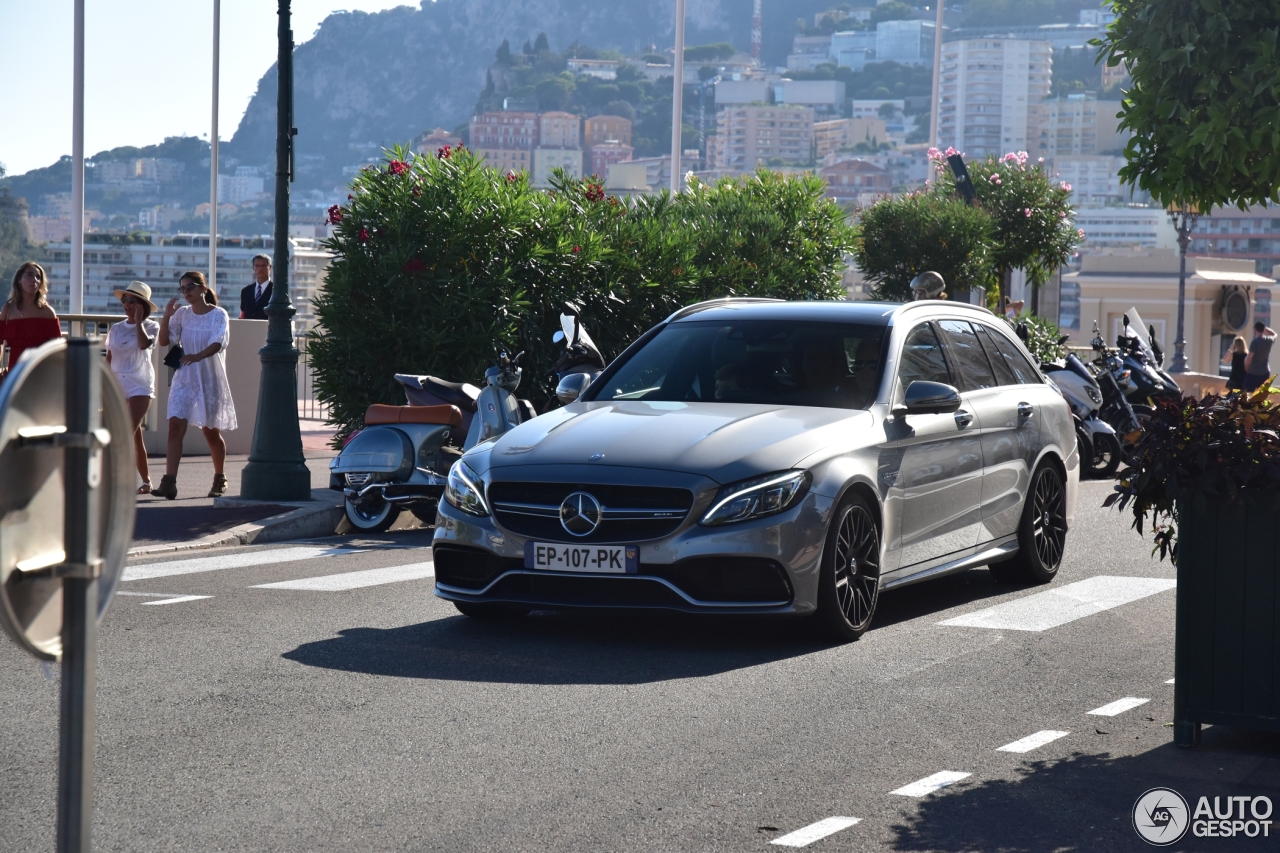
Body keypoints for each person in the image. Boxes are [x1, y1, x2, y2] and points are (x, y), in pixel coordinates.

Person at [152, 271, 237, 499]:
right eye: (183, 288)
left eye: (190, 287)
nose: (186, 292)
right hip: (185, 378)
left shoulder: (219, 314)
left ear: (202, 288)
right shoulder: (182, 315)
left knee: (211, 433)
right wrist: (167, 317)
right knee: (174, 426)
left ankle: (220, 477)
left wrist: (198, 355)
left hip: (208, 379)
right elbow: (163, 341)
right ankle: (169, 482)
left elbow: (219, 342)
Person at [107, 281, 161, 493]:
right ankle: (146, 481)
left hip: (140, 385)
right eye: (125, 300)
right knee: (135, 434)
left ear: (142, 305)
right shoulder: (117, 329)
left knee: (124, 431)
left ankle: (112, 479)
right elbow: (110, 358)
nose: (127, 304)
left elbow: (144, 344)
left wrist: (138, 322)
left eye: (132, 301)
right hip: (118, 384)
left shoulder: (151, 326)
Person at [1, 261, 62, 378]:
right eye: (29, 275)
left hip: (41, 373)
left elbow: (57, 348)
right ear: (19, 280)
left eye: (38, 277)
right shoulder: (7, 310)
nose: (34, 280)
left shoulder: (47, 312)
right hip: (14, 374)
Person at [1242, 320, 1276, 392]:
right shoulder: (1269, 340)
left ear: (1255, 330)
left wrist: (1246, 366)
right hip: (1265, 372)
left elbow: (1249, 357)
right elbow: (1275, 334)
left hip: (1253, 373)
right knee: (1261, 395)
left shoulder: (1255, 342)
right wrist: (1265, 328)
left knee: (1246, 393)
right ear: (1263, 329)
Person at [239, 253, 273, 320]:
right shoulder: (245, 291)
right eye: (257, 266)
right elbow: (242, 314)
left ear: (270, 267)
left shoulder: (276, 291)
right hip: (248, 329)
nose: (260, 268)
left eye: (263, 266)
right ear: (253, 268)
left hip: (268, 329)